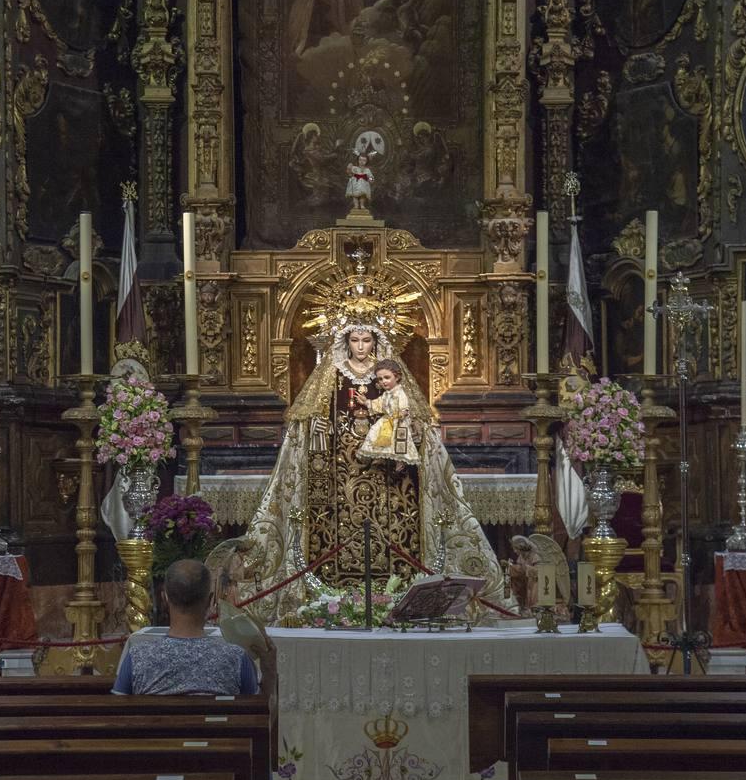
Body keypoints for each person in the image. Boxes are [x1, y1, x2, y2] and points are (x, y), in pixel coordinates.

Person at [237, 258, 507, 622]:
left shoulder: (390, 376)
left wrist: (409, 430)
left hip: (389, 478)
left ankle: (397, 591)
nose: (361, 346)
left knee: (390, 530)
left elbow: (413, 415)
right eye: (354, 339)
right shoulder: (330, 375)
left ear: (377, 340)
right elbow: (308, 420)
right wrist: (316, 429)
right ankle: (333, 597)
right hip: (336, 474)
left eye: (366, 339)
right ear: (344, 340)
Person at [111, 559, 273, 696]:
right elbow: (261, 715)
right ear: (210, 601)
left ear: (164, 599)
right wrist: (269, 670)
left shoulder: (137, 658)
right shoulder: (237, 659)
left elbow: (118, 715)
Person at [356, 358, 419, 466]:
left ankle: (400, 460)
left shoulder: (400, 392)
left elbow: (404, 407)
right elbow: (380, 404)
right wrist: (366, 402)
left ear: (397, 377)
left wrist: (402, 413)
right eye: (380, 379)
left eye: (387, 377)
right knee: (375, 432)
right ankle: (380, 455)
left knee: (398, 439)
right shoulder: (386, 394)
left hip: (399, 420)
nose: (383, 381)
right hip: (387, 419)